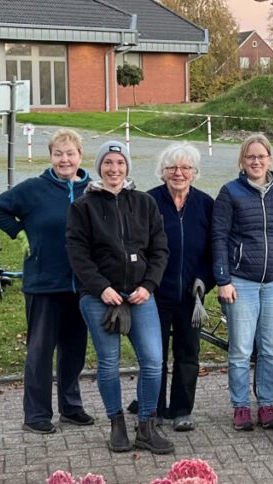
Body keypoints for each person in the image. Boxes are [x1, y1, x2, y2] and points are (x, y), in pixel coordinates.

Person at [66, 140, 174, 455]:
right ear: (100, 167)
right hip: (101, 296)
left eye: (120, 163)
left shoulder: (144, 203)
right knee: (109, 362)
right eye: (108, 163)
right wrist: (101, 288)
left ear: (127, 167)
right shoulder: (83, 207)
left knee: (154, 362)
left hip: (140, 295)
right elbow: (78, 254)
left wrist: (148, 285)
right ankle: (116, 423)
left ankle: (146, 425)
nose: (114, 169)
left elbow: (159, 249)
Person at [0, 128, 92, 435]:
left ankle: (71, 408)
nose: (65, 159)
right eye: (59, 154)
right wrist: (19, 232)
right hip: (45, 284)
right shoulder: (34, 189)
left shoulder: (91, 190)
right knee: (40, 352)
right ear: (50, 157)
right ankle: (36, 414)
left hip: (81, 286)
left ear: (80, 157)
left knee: (74, 352)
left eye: (70, 153)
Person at [212, 133, 273, 431]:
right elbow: (219, 238)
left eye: (261, 156)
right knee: (240, 348)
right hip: (242, 282)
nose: (256, 161)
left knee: (270, 346)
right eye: (250, 157)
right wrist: (223, 279)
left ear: (270, 160)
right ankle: (240, 407)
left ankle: (266, 403)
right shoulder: (230, 193)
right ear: (242, 160)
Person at [147, 143, 214, 432]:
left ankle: (182, 409)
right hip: (156, 293)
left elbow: (214, 250)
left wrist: (204, 279)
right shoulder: (148, 201)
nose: (179, 173)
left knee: (188, 354)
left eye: (186, 167)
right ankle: (156, 408)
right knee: (155, 354)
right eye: (172, 167)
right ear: (163, 172)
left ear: (195, 172)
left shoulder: (205, 204)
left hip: (191, 295)